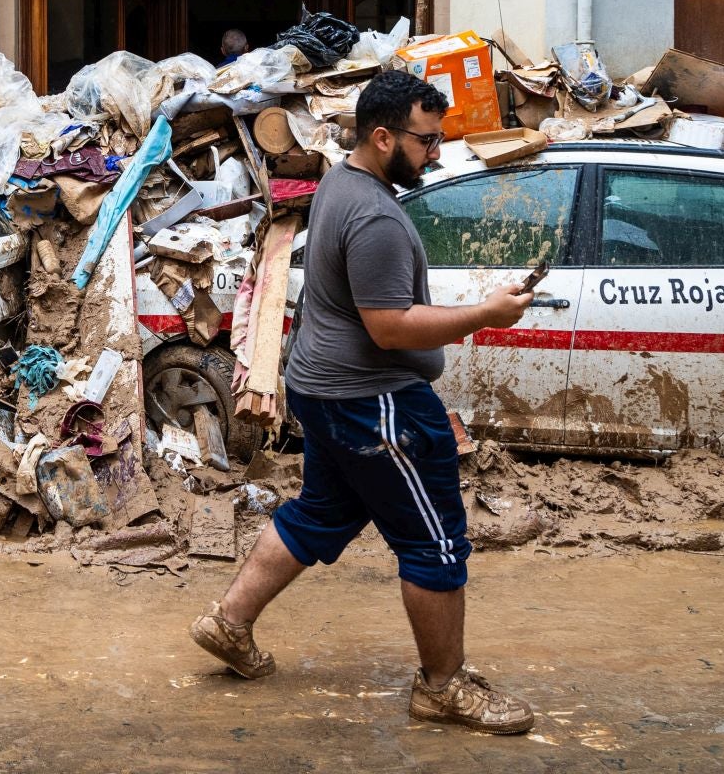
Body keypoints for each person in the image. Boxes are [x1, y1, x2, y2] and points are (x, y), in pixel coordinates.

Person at [189, 71, 538, 735]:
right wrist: (485, 314)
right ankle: (443, 687)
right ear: (383, 136)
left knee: (322, 512)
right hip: (373, 404)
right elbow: (388, 327)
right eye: (426, 141)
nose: (435, 153)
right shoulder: (375, 214)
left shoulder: (341, 185)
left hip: (324, 391)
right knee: (435, 542)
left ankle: (228, 623)